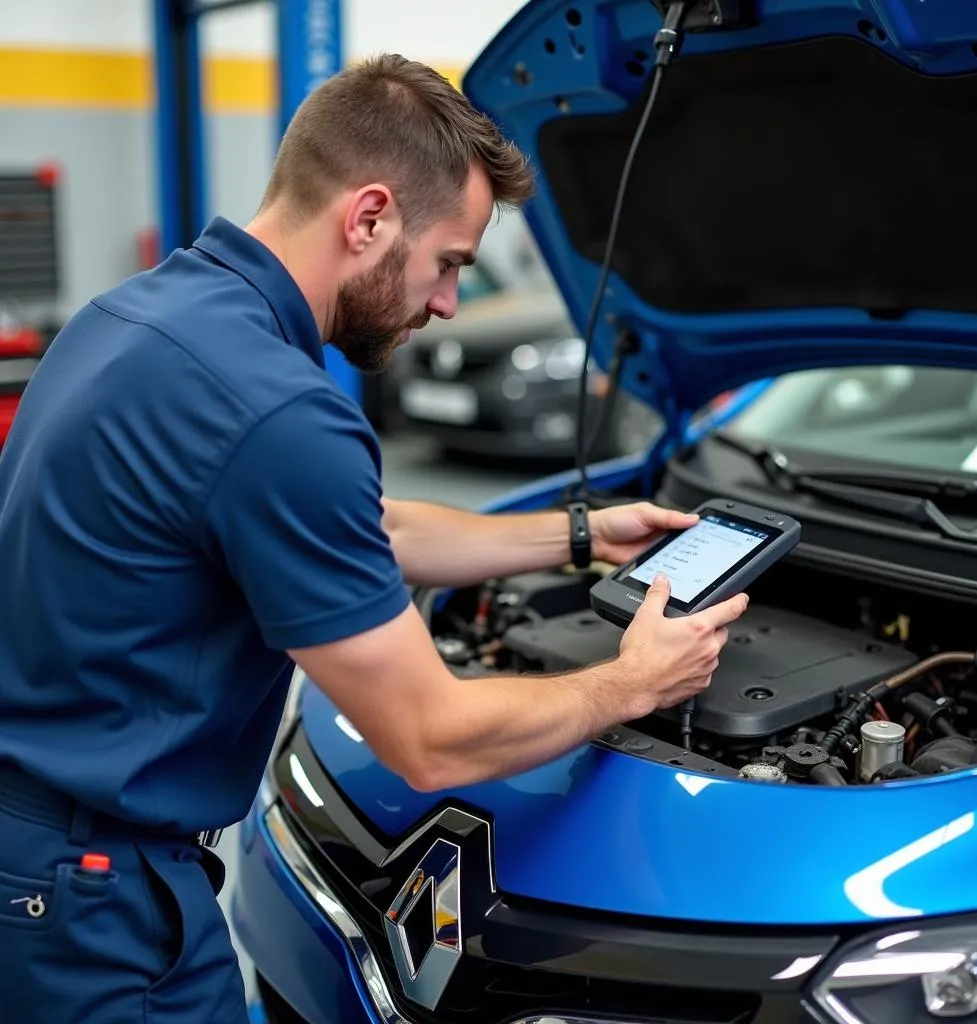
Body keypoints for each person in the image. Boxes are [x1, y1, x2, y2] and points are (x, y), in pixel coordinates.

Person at [0, 55, 748, 1022]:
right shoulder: (277, 412)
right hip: (97, 900)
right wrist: (633, 681)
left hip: (45, 853)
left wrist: (575, 534)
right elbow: (428, 741)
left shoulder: (138, 316)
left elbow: (364, 529)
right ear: (369, 217)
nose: (445, 303)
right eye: (450, 263)